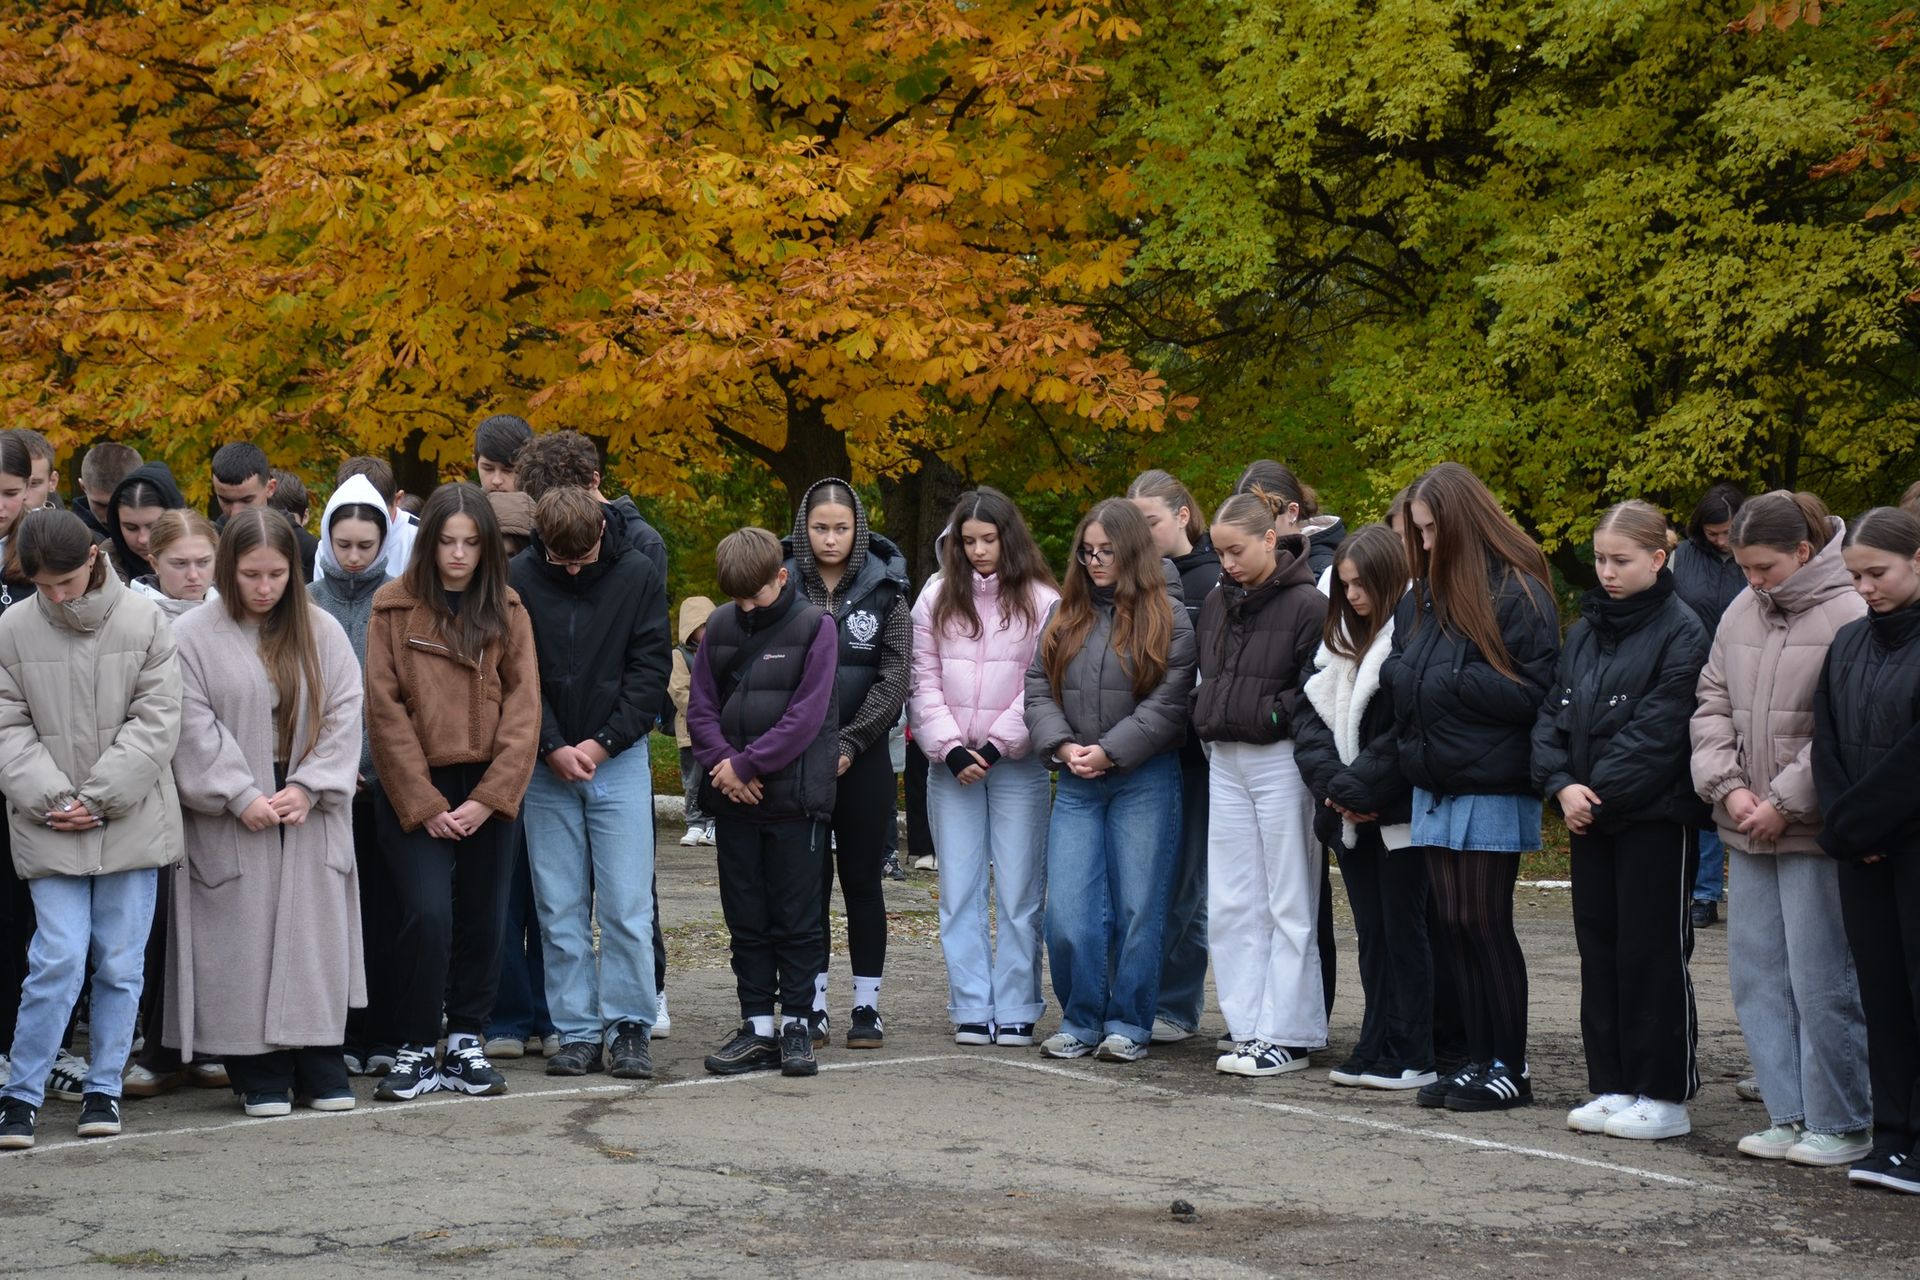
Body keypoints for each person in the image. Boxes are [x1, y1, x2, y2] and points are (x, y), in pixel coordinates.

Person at [166, 509, 365, 1117]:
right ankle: (255, 1066)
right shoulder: (192, 635)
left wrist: (309, 785)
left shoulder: (322, 629)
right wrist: (236, 792)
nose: (264, 587)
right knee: (241, 935)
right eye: (251, 574)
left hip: (307, 801)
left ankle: (319, 1055)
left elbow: (345, 712)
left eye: (277, 574)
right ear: (230, 570)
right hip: (234, 806)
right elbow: (188, 721)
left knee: (311, 931)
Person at [1693, 490, 1871, 1165]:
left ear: (1803, 551)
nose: (1754, 581)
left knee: (1823, 979)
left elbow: (1846, 727)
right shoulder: (1742, 608)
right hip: (1746, 827)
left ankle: (1843, 1119)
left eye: (1765, 568)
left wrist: (1784, 801)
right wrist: (1729, 789)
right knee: (1758, 975)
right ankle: (1787, 1112)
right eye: (1744, 568)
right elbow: (1710, 700)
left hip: (1811, 831)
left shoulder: (1851, 610)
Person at [0, 510, 183, 1150]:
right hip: (47, 818)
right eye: (42, 586)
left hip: (127, 818)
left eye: (67, 582)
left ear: (93, 559)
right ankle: (20, 1094)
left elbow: (158, 719)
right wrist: (57, 798)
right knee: (57, 957)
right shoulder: (12, 628)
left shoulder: (145, 618)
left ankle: (104, 1086)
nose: (55, 596)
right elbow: (6, 725)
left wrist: (99, 798)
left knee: (120, 963)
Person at [1532, 501, 1711, 1141]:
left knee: (1652, 953)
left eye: (1621, 560)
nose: (1606, 572)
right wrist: (1559, 785)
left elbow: (1661, 733)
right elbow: (1552, 713)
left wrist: (1592, 794)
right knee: (1599, 950)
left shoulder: (1684, 630)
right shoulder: (1584, 629)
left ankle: (1664, 1094)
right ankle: (1612, 1083)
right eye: (1601, 559)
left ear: (1658, 559)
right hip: (1588, 815)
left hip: (1654, 819)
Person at [1389, 462, 1560, 1113]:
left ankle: (1508, 1066)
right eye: (1419, 532)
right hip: (1433, 780)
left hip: (1491, 779)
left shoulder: (1518, 590)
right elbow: (1402, 677)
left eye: (1433, 530)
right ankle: (1476, 1060)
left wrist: (1448, 684)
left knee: (1485, 924)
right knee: (1452, 926)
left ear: (1462, 521)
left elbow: (1534, 693)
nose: (1426, 544)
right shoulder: (1422, 595)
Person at [365, 484, 539, 1101]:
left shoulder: (510, 609)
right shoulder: (391, 608)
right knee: (427, 914)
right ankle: (415, 1043)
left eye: (471, 542)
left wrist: (488, 799)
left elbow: (524, 711)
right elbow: (384, 714)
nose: (458, 554)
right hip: (417, 787)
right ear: (428, 541)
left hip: (488, 787)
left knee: (487, 918)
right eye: (447, 541)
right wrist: (427, 804)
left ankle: (466, 1038)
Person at [1025, 498, 1196, 1062]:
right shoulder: (1064, 613)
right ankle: (1080, 1019)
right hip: (1075, 778)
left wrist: (1109, 752)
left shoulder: (1170, 613)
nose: (1096, 561)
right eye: (1087, 551)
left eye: (1107, 551)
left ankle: (1128, 1023)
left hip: (1145, 779)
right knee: (1068, 912)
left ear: (1133, 551)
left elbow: (1171, 703)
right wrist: (1065, 746)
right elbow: (1036, 687)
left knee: (1138, 908)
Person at [509, 486, 671, 1080]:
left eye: (582, 557)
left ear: (601, 533)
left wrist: (602, 744)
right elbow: (516, 674)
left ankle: (630, 1025)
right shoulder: (520, 576)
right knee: (559, 908)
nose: (573, 568)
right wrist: (551, 745)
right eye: (561, 559)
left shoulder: (638, 572)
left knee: (627, 905)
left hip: (618, 757)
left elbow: (650, 669)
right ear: (544, 544)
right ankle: (575, 1029)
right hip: (544, 761)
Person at [911, 487, 1060, 1048]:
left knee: (1021, 891)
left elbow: (1044, 682)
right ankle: (972, 1005)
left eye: (987, 539)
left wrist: (997, 747)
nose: (977, 550)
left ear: (1008, 538)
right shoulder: (934, 598)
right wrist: (949, 748)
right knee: (960, 888)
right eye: (967, 541)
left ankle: (1019, 1004)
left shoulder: (1045, 600)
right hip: (950, 767)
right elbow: (921, 679)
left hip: (1016, 767)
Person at [688, 527, 840, 1077]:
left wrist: (747, 764)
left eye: (755, 595)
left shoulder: (815, 626)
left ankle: (798, 1022)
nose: (745, 607)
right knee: (746, 917)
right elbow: (700, 707)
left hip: (796, 801)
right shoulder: (722, 627)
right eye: (736, 597)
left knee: (798, 919)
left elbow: (806, 716)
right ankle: (756, 1025)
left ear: (782, 577)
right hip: (735, 802)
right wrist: (724, 768)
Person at [1193, 487, 1330, 1077]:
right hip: (1224, 757)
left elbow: (1314, 686)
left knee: (1289, 896)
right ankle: (1247, 1025)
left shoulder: (1308, 605)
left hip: (1280, 759)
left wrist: (1272, 714)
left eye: (1236, 550)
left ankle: (1290, 1033)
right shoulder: (1218, 602)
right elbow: (1207, 674)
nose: (1226, 563)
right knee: (1230, 898)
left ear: (1272, 538)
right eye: (1219, 552)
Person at [1293, 524, 1430, 1091]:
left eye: (1361, 584)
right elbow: (1309, 722)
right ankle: (1376, 1040)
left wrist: (1358, 791)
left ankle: (1414, 1048)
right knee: (1371, 933)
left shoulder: (1414, 634)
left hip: (1395, 812)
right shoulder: (1335, 643)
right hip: (1350, 815)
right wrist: (1337, 789)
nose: (1351, 595)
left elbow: (1408, 728)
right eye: (1344, 585)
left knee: (1406, 930)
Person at [784, 479, 911, 1050]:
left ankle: (867, 1007)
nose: (830, 539)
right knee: (805, 889)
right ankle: (810, 1005)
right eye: (819, 528)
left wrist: (851, 743)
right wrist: (805, 746)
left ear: (858, 529)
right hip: (796, 763)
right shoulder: (782, 586)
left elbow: (895, 674)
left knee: (862, 884)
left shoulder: (889, 588)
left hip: (862, 762)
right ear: (803, 530)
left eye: (841, 528)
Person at [1816, 507, 1920, 1192]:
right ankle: (1895, 1138)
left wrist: (1867, 825)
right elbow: (1825, 739)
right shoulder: (1848, 643)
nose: (1865, 588)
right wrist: (1848, 828)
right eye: (1855, 576)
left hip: (1907, 846)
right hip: (1863, 850)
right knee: (1881, 999)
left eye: (1877, 574)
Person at [122, 510, 229, 1099]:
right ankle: (162, 1046)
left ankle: (211, 1042)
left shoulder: (230, 615)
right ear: (152, 562)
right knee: (159, 921)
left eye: (202, 562)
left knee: (217, 917)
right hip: (151, 788)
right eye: (178, 564)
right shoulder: (135, 616)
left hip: (215, 786)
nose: (192, 575)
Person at [305, 476, 401, 1080]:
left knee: (387, 915)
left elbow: (401, 695)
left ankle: (384, 1030)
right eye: (344, 543)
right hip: (323, 788)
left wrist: (375, 766)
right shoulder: (305, 600)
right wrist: (333, 768)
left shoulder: (401, 597)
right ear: (327, 538)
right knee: (328, 915)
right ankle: (334, 1031)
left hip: (387, 785)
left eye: (367, 544)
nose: (354, 556)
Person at [1126, 469, 1218, 1046]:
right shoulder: (1123, 580)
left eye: (1151, 522)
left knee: (1185, 886)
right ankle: (1133, 995)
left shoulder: (1214, 578)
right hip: (1138, 752)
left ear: (1182, 516)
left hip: (1195, 757)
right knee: (1140, 885)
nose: (1142, 533)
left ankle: (1176, 1005)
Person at [1671, 482, 1750, 929]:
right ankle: (1702, 892)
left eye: (1728, 532)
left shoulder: (1756, 554)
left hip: (1746, 677)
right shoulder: (1684, 556)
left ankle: (1743, 882)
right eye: (1713, 532)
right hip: (1692, 679)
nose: (1721, 540)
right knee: (1704, 782)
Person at [210, 443, 318, 580]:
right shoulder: (208, 545)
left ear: (270, 488)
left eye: (247, 500)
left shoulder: (304, 548)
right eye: (226, 501)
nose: (235, 512)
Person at [1236, 460, 1346, 579]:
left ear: (1292, 512)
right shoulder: (1240, 568)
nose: (1250, 533)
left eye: (1260, 521)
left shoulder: (1325, 573)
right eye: (1243, 526)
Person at [670, 596, 718, 848]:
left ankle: (712, 822)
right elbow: (679, 690)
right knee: (693, 778)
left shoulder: (719, 651)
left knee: (714, 775)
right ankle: (694, 822)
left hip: (717, 730)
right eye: (703, 626)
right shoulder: (680, 657)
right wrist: (705, 711)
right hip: (691, 730)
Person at [105, 461, 187, 584]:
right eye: (131, 528)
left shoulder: (217, 550)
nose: (143, 539)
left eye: (154, 526)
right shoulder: (102, 567)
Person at [74, 443, 142, 541]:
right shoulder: (70, 539)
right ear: (83, 487)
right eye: (101, 505)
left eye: (118, 504)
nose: (109, 516)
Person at [475, 414, 533, 494]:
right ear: (475, 462)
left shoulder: (546, 505)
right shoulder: (462, 505)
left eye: (508, 470)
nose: (497, 481)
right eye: (488, 469)